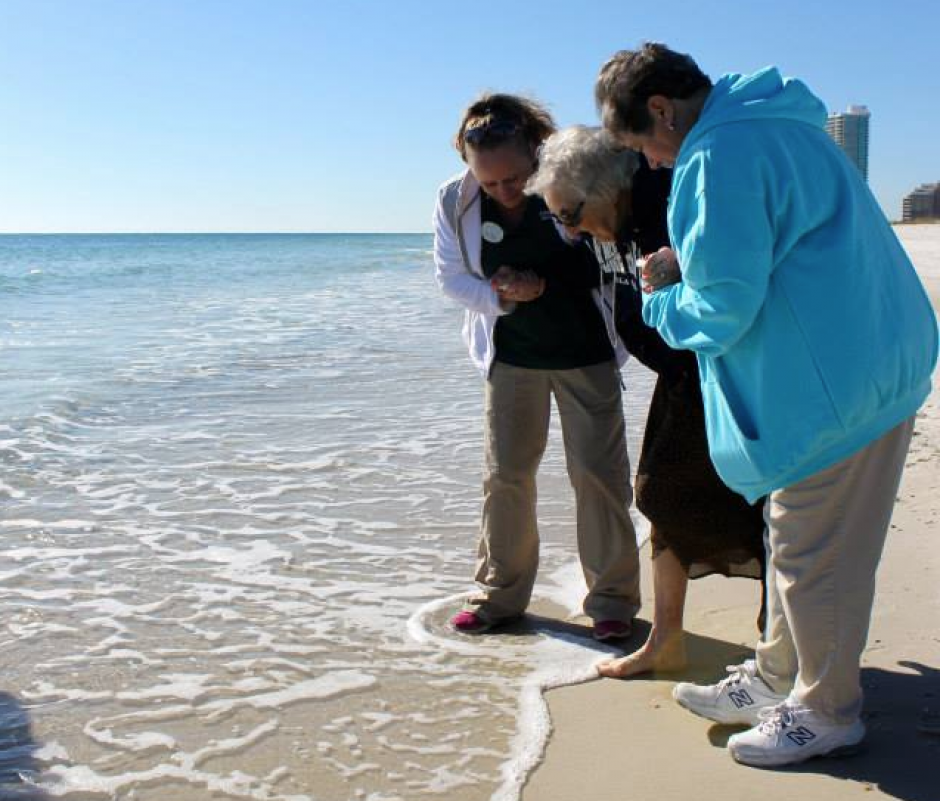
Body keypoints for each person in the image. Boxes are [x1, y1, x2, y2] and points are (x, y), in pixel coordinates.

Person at [595, 43, 938, 768]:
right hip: (866, 358)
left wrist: (658, 299)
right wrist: (691, 261)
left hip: (834, 388)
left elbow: (723, 309)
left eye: (641, 144)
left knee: (815, 555)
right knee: (794, 541)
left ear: (662, 109)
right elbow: (779, 243)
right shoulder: (775, 123)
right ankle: (779, 676)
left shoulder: (720, 153)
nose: (649, 161)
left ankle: (827, 712)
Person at [525, 126, 766, 678]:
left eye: (570, 214)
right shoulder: (602, 225)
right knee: (660, 497)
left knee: (756, 505)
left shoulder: (668, 199)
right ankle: (666, 638)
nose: (569, 229)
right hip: (677, 377)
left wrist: (682, 263)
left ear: (606, 188)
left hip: (728, 370)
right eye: (559, 218)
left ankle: (774, 647)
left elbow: (740, 258)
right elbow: (579, 271)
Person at [431, 94, 641, 641]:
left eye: (516, 178)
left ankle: (612, 601)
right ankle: (498, 595)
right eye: (490, 182)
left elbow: (611, 255)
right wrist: (501, 296)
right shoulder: (454, 200)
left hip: (585, 351)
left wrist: (544, 284)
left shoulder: (573, 177)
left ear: (536, 151)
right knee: (506, 476)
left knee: (598, 476)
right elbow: (451, 277)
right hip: (512, 357)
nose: (504, 191)